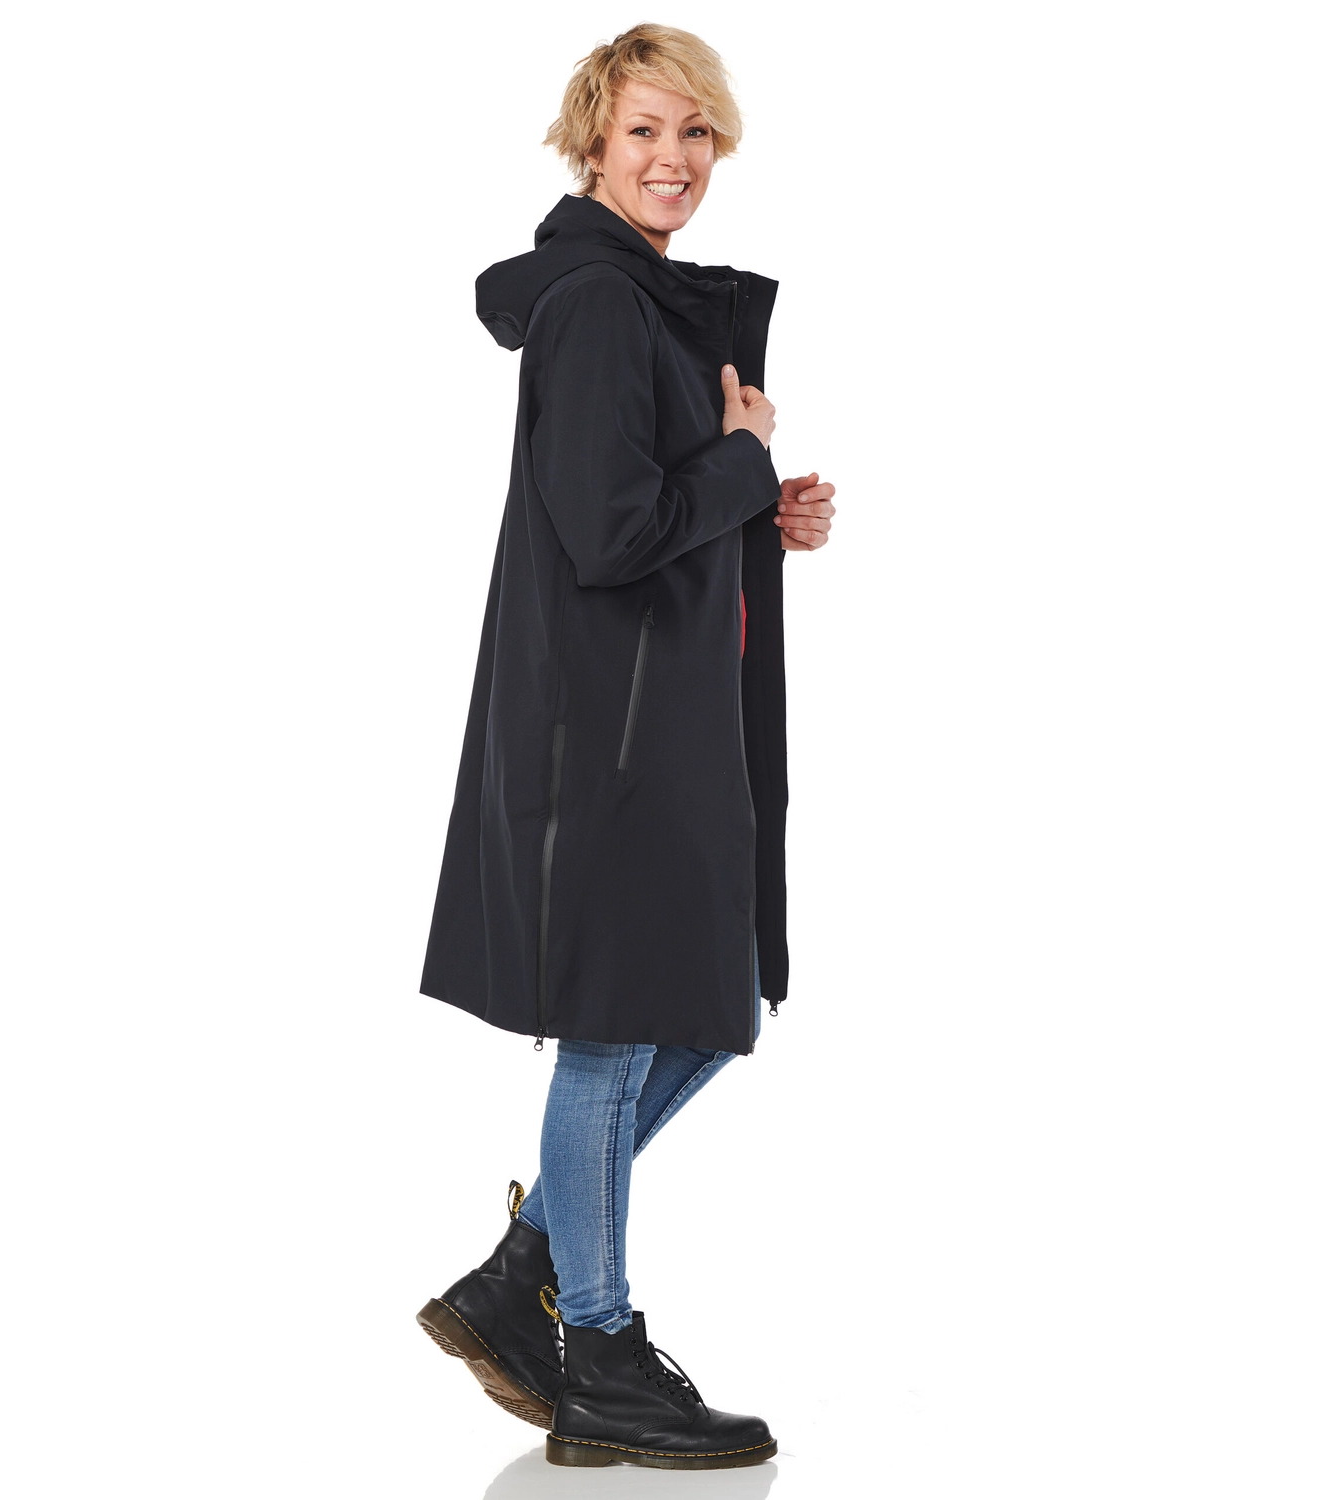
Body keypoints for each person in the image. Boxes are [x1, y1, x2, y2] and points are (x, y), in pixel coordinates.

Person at [414, 24, 835, 1470]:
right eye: (646, 131)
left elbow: (647, 506)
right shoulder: (599, 305)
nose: (674, 158)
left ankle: (519, 1280)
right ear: (592, 144)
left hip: (658, 732)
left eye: (696, 133)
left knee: (710, 1009)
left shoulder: (640, 302)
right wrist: (738, 464)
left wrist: (759, 508)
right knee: (617, 1031)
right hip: (610, 741)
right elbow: (607, 532)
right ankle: (596, 1348)